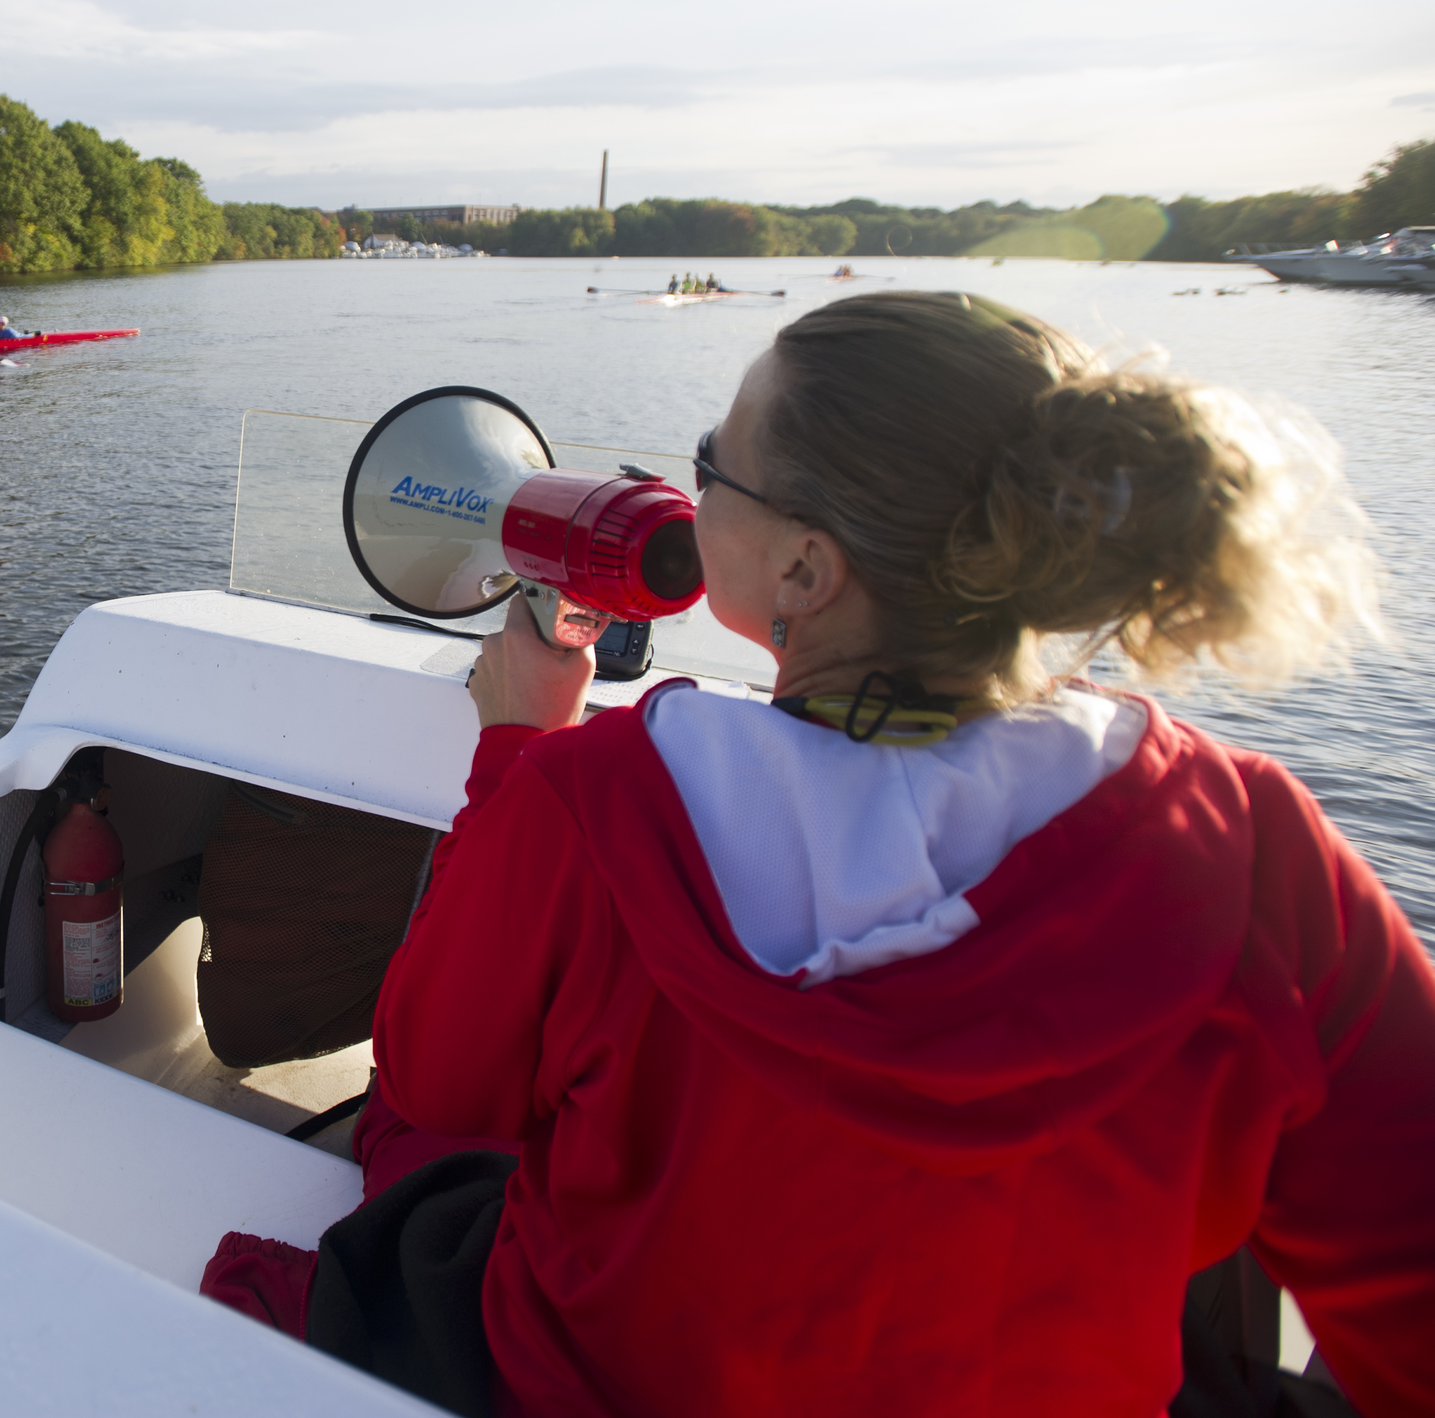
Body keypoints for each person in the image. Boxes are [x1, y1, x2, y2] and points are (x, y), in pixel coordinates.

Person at [201, 291, 1434, 1417]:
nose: (690, 495)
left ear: (803, 564)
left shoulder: (592, 801)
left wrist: (519, 741)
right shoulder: (1253, 840)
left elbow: (438, 1073)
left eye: (710, 464)